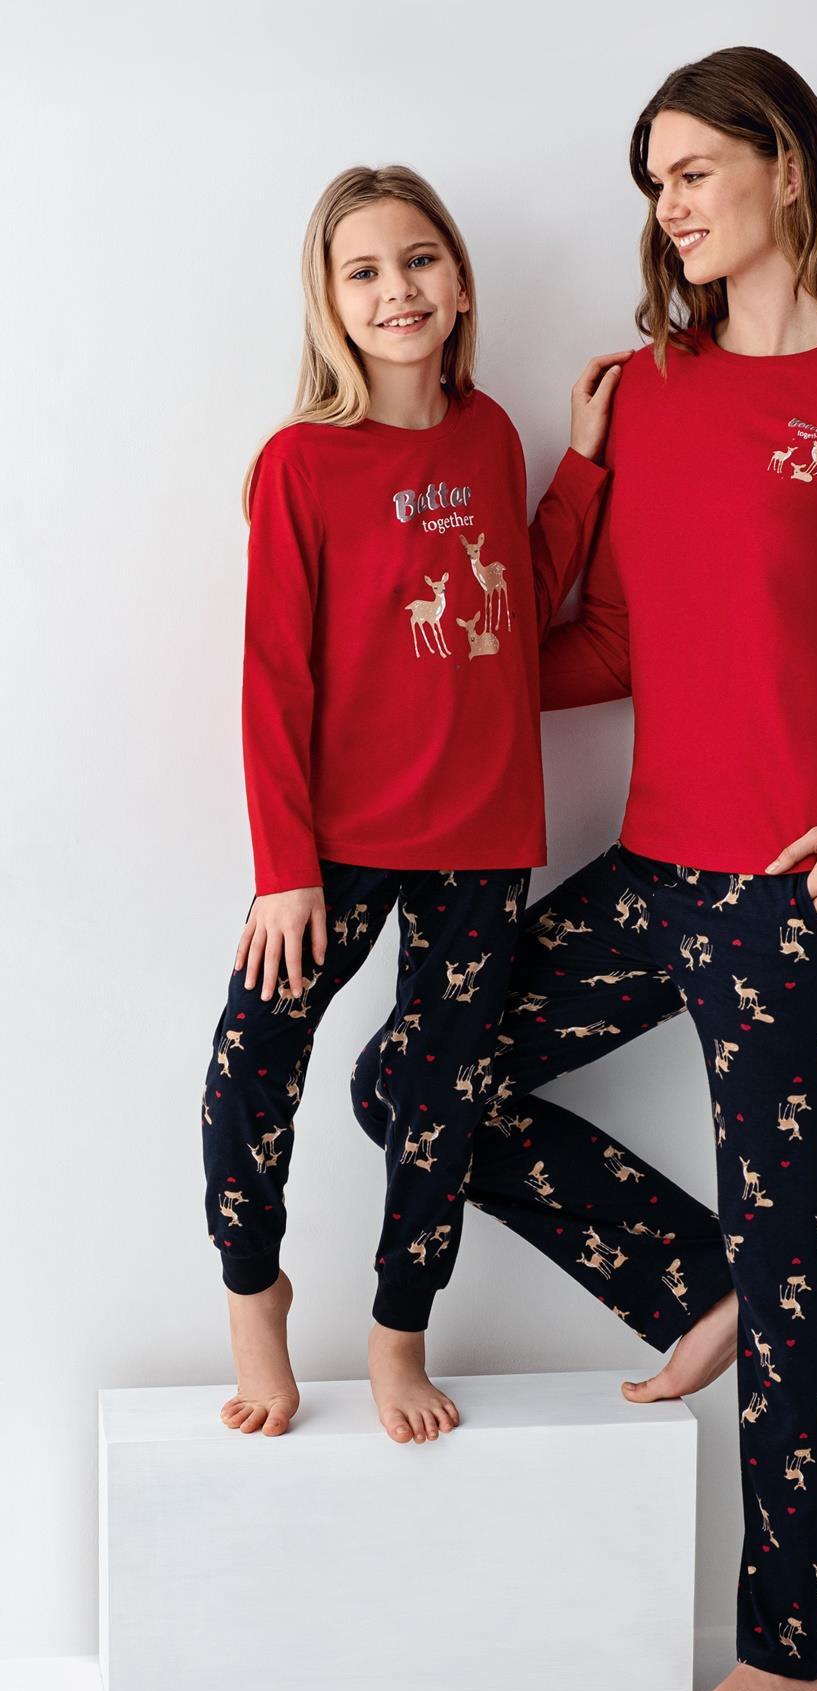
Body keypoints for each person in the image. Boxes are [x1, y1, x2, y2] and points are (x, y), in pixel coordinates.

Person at [351, 47, 817, 1691]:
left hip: (808, 896)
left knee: (806, 1263)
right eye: (652, 182)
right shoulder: (653, 392)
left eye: (690, 170)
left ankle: (791, 1645)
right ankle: (686, 1275)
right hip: (660, 870)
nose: (667, 206)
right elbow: (601, 645)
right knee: (411, 1078)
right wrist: (470, 614)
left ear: (785, 166)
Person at [200, 162, 626, 1446]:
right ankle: (254, 1295)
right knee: (251, 1065)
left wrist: (582, 468)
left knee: (440, 1100)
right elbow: (273, 679)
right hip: (335, 847)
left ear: (460, 282)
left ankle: (399, 1332)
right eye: (366, 270)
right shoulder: (301, 464)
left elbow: (517, 603)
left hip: (483, 838)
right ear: (331, 301)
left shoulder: (490, 434)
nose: (399, 289)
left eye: (420, 259)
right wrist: (284, 868)